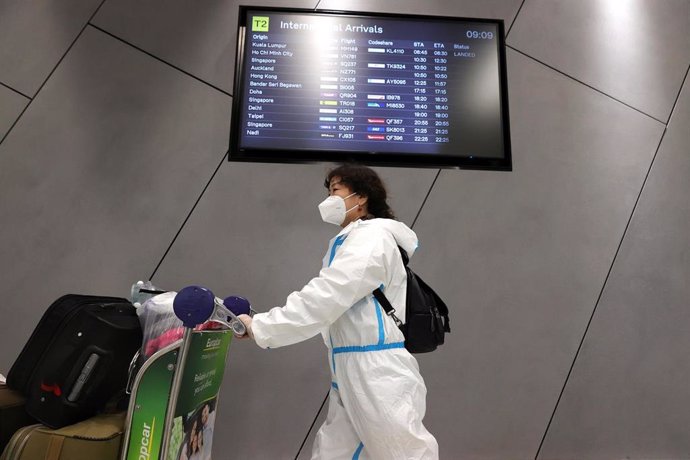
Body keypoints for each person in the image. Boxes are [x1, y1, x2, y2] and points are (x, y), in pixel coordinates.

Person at [238, 164, 438, 459]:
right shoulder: (353, 239)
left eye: (335, 190)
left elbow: (327, 295)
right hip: (351, 363)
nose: (329, 198)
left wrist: (263, 327)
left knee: (403, 453)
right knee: (335, 452)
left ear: (361, 198)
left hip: (374, 369)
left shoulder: (370, 239)